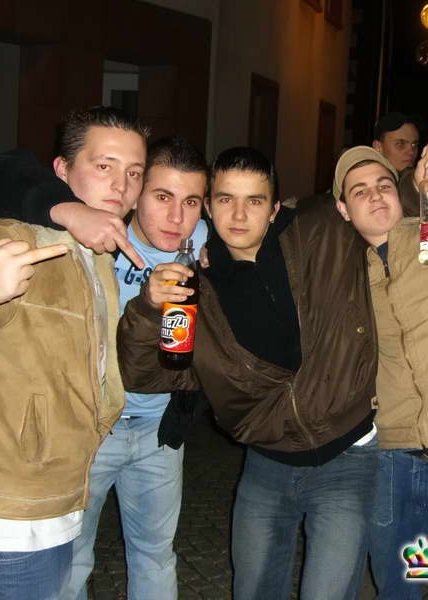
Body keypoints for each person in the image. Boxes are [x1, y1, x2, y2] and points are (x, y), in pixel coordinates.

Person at [118, 147, 380, 600]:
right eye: (225, 199)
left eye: (254, 201)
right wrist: (147, 308)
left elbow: (389, 208)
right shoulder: (196, 290)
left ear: (275, 208)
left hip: (348, 455)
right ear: (209, 206)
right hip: (266, 462)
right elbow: (148, 376)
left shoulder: (322, 231)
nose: (238, 215)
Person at [0, 135, 209, 600]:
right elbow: (0, 172)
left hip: (159, 431)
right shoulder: (94, 235)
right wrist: (67, 210)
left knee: (156, 555)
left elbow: (269, 219)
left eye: (191, 202)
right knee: (73, 558)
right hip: (90, 430)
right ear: (136, 194)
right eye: (162, 197)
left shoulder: (205, 240)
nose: (176, 218)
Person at [0, 106, 147, 599]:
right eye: (104, 165)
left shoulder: (95, 257)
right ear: (61, 171)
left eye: (134, 172)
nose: (121, 185)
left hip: (51, 506)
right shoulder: (13, 238)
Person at [333, 146, 428, 599]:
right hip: (389, 453)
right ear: (343, 209)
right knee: (396, 583)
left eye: (383, 185)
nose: (375, 196)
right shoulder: (342, 271)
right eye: (360, 191)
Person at [372, 112, 424, 217]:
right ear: (378, 147)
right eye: (400, 144)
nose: (411, 151)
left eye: (414, 145)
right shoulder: (361, 180)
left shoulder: (413, 176)